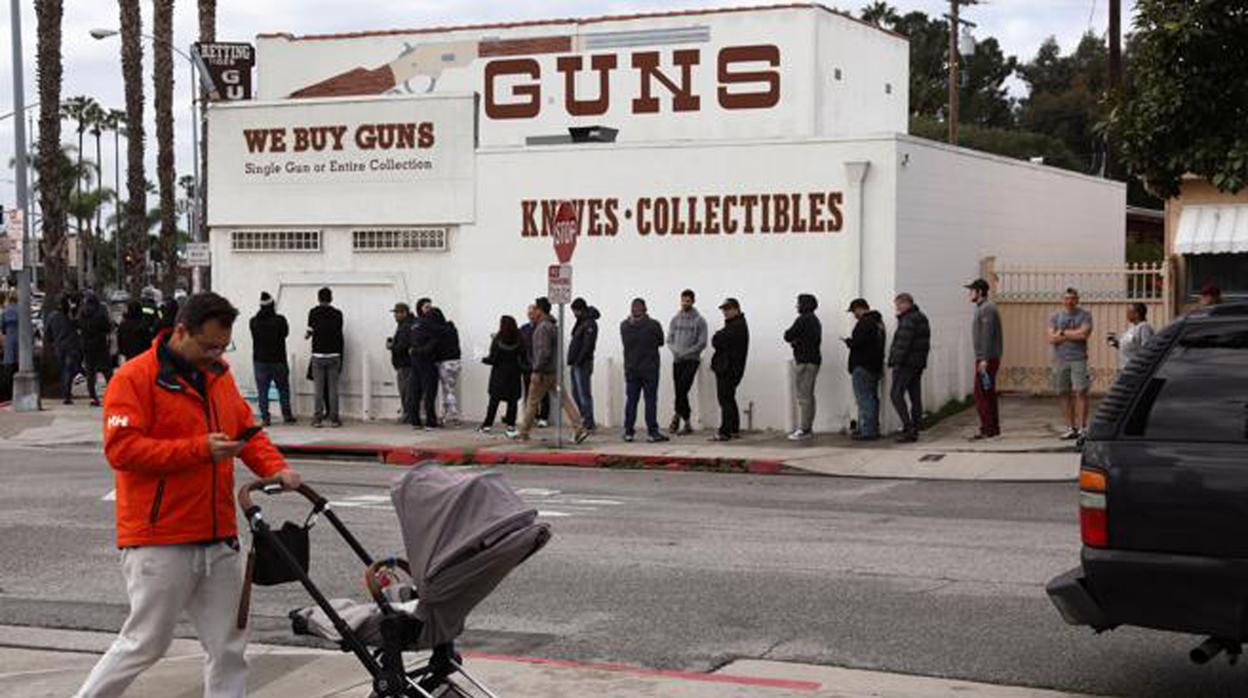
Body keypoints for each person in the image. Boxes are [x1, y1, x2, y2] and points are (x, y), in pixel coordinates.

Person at [73, 292, 302, 698]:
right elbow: (122, 450)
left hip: (218, 536)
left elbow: (246, 432)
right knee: (145, 642)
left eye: (222, 346)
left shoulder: (219, 376)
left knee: (229, 646)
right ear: (181, 331)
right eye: (208, 345)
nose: (216, 353)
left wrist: (275, 468)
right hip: (160, 537)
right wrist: (199, 449)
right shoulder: (134, 378)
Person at [513, 297, 588, 443]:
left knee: (532, 402)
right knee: (565, 400)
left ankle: (523, 432)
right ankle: (579, 428)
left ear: (540, 310)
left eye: (534, 309)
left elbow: (544, 352)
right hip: (554, 372)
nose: (532, 313)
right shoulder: (553, 326)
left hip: (543, 373)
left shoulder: (542, 328)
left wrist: (537, 370)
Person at [1047, 287, 1093, 440]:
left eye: (1072, 298)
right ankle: (1070, 427)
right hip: (1060, 359)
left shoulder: (1085, 315)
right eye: (1066, 298)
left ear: (1077, 300)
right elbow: (1051, 339)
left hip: (1078, 358)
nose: (1069, 301)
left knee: (1081, 392)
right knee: (1063, 393)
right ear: (1062, 300)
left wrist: (1062, 332)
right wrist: (1073, 334)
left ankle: (1083, 428)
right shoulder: (1055, 316)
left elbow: (1084, 334)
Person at [620, 298, 668, 443]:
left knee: (631, 401)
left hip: (631, 369)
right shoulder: (653, 325)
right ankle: (652, 432)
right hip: (650, 368)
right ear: (645, 308)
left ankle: (629, 431)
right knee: (650, 401)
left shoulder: (624, 326)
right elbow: (661, 342)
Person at [887, 293, 931, 443]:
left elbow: (903, 344)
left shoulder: (908, 320)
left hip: (905, 364)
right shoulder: (921, 317)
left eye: (898, 304)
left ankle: (909, 428)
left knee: (896, 394)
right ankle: (917, 425)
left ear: (907, 303)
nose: (897, 308)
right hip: (917, 363)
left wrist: (894, 362)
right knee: (915, 395)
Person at [250, 292, 295, 427]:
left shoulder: (253, 321)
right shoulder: (280, 320)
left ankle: (265, 418)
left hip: (260, 361)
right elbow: (285, 333)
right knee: (283, 389)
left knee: (262, 391)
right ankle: (286, 415)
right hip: (278, 360)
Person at [666, 289, 708, 435]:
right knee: (679, 391)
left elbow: (702, 342)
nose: (685, 303)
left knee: (683, 388)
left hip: (691, 360)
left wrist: (687, 352)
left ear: (693, 301)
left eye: (688, 301)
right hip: (677, 360)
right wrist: (675, 350)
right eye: (683, 300)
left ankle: (680, 417)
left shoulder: (700, 321)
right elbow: (669, 339)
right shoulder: (675, 319)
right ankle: (684, 420)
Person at [966, 278, 1003, 440]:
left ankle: (987, 428)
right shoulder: (981, 308)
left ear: (979, 292)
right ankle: (993, 427)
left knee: (980, 394)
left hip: (986, 359)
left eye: (972, 290)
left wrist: (984, 359)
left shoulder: (987, 309)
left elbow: (987, 336)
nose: (970, 293)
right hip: (985, 358)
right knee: (988, 393)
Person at [844, 298, 885, 441]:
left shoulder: (865, 323)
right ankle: (870, 427)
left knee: (864, 399)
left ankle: (868, 430)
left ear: (859, 308)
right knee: (871, 398)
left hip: (862, 365)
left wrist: (849, 342)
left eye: (854, 311)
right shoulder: (878, 322)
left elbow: (858, 343)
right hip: (875, 365)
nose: (854, 315)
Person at [783, 293, 822, 441]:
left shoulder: (803, 319)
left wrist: (795, 341)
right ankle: (807, 427)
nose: (797, 306)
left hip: (805, 361)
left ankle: (804, 429)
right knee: (809, 396)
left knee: (804, 397)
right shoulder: (815, 320)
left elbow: (787, 335)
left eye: (799, 303)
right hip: (813, 360)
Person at [709, 298, 749, 441]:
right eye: (724, 310)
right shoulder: (735, 325)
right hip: (729, 368)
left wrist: (717, 336)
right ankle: (733, 429)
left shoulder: (736, 326)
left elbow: (717, 340)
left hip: (728, 369)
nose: (725, 312)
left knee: (725, 400)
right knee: (729, 399)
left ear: (736, 309)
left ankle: (725, 431)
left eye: (728, 309)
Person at [480, 315, 526, 432]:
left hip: (499, 374)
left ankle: (487, 425)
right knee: (512, 400)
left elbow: (492, 359)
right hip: (514, 373)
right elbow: (524, 357)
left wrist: (483, 359)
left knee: (494, 400)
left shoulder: (497, 340)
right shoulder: (520, 339)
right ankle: (511, 424)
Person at [306, 287, 344, 428]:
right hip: (334, 354)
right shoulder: (338, 314)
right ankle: (334, 419)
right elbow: (339, 331)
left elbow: (309, 331)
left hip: (318, 355)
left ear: (319, 298)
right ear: (331, 298)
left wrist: (308, 336)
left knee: (319, 389)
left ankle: (317, 419)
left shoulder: (313, 313)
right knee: (333, 389)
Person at [567, 298, 600, 432]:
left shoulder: (589, 324)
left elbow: (588, 345)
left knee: (583, 393)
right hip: (576, 362)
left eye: (575, 311)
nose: (574, 313)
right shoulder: (581, 322)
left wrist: (579, 360)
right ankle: (584, 417)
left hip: (583, 363)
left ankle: (588, 421)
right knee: (576, 393)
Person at [408, 300, 442, 430]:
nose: (430, 309)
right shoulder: (429, 323)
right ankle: (430, 421)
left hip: (416, 361)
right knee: (429, 392)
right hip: (427, 361)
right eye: (427, 307)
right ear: (420, 309)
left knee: (416, 391)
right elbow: (433, 342)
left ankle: (415, 421)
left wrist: (414, 351)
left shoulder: (414, 323)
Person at [46, 295, 84, 405]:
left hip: (59, 346)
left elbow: (48, 333)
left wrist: (52, 343)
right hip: (70, 346)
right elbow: (77, 326)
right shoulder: (68, 316)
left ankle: (66, 392)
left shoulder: (52, 317)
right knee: (68, 370)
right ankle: (67, 393)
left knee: (64, 369)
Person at [79, 292, 115, 407]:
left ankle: (93, 396)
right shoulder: (101, 312)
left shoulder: (82, 312)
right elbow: (108, 327)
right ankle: (112, 393)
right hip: (100, 344)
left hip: (87, 345)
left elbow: (79, 325)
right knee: (107, 371)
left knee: (90, 372)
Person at [432, 307, 463, 425]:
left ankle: (455, 416)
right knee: (448, 390)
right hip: (456, 361)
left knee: (448, 391)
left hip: (445, 362)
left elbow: (437, 347)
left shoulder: (438, 331)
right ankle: (443, 415)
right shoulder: (452, 328)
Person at [520, 311, 550, 427]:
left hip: (540, 365)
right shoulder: (524, 328)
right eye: (529, 314)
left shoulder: (542, 328)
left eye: (533, 314)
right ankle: (532, 416)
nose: (531, 316)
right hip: (527, 366)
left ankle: (543, 417)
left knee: (543, 392)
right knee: (529, 393)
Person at [387, 302, 415, 424]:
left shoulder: (405, 326)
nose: (395, 315)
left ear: (404, 313)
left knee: (406, 391)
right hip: (405, 363)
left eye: (397, 313)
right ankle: (408, 413)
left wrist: (392, 346)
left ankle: (408, 414)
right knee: (407, 391)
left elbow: (403, 345)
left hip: (405, 364)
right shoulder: (405, 325)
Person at [1109, 302, 1156, 368]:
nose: (1127, 314)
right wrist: (1117, 343)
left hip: (1136, 369)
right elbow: (1132, 344)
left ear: (1137, 314)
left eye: (1129, 312)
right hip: (1126, 367)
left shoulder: (1144, 328)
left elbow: (1147, 349)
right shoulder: (1132, 329)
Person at [2, 292, 18, 400]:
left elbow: (2, 327)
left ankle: (9, 392)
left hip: (9, 341)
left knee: (9, 367)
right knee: (18, 365)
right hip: (21, 342)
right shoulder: (22, 310)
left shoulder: (6, 311)